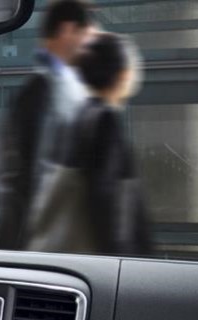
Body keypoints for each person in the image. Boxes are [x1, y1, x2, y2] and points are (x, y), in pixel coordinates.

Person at [0, 0, 94, 249]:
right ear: (67, 30)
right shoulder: (45, 91)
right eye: (84, 34)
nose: (87, 43)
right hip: (43, 243)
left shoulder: (61, 88)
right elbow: (31, 178)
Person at [66, 31, 152, 256]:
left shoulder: (81, 116)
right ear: (122, 74)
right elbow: (108, 201)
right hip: (111, 259)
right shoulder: (104, 121)